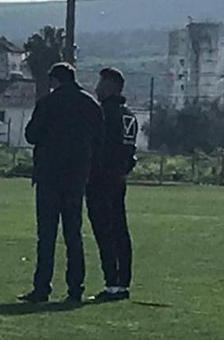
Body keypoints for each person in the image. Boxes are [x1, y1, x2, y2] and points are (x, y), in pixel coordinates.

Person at [19, 62, 103, 305]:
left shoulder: (48, 103)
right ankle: (75, 288)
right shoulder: (90, 104)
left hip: (49, 175)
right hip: (76, 176)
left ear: (55, 80)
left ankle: (42, 287)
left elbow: (31, 135)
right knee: (73, 233)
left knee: (46, 235)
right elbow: (100, 140)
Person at [87, 68, 139, 303]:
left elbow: (97, 146)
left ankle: (111, 283)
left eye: (100, 84)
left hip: (100, 179)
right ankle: (122, 281)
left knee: (104, 230)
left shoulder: (104, 114)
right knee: (120, 230)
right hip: (119, 178)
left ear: (110, 87)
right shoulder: (129, 115)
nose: (97, 89)